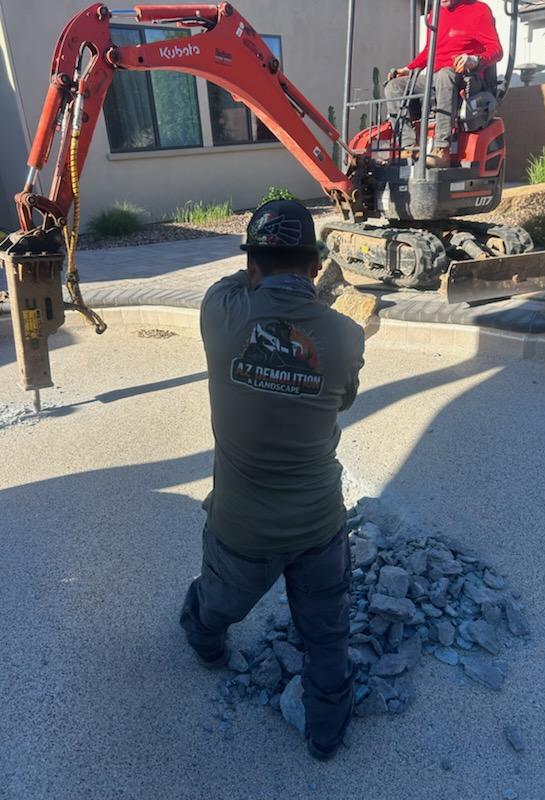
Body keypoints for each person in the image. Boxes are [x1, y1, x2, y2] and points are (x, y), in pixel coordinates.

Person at [180, 199, 365, 761]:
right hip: (319, 525)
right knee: (326, 635)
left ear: (252, 265)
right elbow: (344, 400)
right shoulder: (345, 336)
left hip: (242, 528)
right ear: (315, 267)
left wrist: (263, 273)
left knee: (216, 605)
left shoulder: (220, 313)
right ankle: (326, 735)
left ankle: (208, 648)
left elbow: (236, 281)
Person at [385, 0, 503, 168]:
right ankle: (409, 147)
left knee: (444, 75)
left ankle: (442, 149)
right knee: (394, 86)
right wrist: (408, 69)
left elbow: (496, 50)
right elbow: (429, 50)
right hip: (437, 78)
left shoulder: (479, 10)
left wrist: (474, 60)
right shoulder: (434, 15)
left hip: (468, 78)